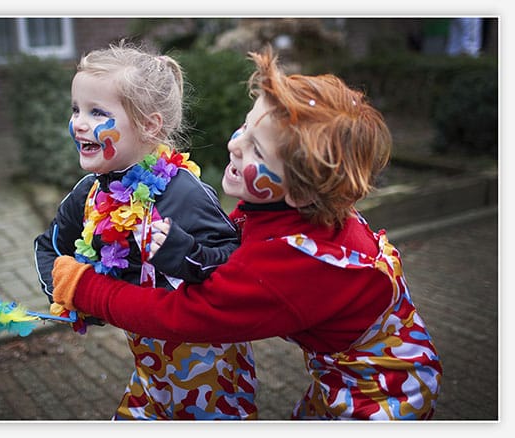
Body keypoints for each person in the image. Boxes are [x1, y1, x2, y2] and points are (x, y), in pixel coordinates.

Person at [50, 46, 442, 420]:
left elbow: (182, 317)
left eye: (258, 151)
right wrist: (186, 253)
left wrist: (85, 289)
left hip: (383, 394)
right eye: (245, 128)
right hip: (340, 373)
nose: (235, 145)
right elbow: (229, 258)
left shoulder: (290, 263)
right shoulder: (281, 206)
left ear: (303, 190)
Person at [34, 42, 254, 420]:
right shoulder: (89, 193)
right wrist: (71, 290)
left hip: (211, 383)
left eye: (97, 111)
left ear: (149, 125)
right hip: (149, 376)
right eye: (76, 109)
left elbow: (234, 265)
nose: (79, 122)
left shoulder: (184, 192)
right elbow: (49, 245)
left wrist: (182, 253)